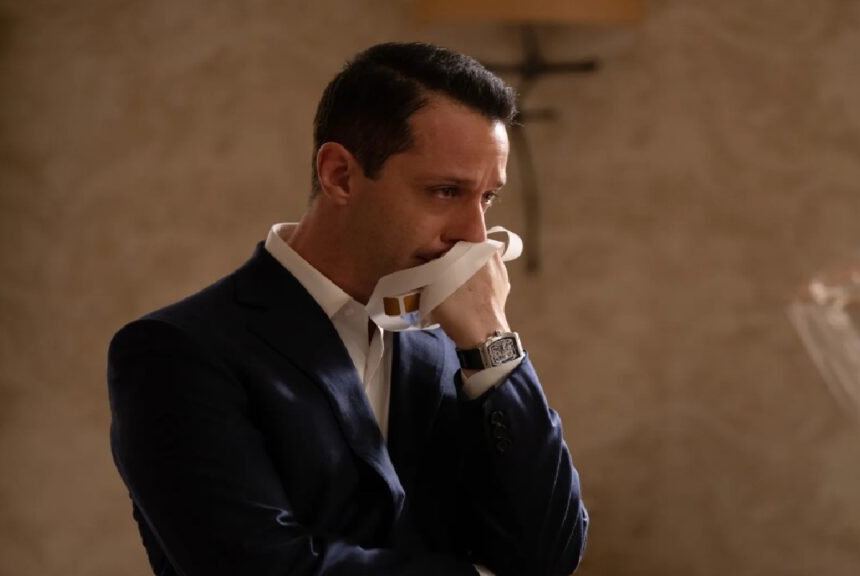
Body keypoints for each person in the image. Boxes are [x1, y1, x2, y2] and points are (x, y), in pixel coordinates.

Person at [108, 42, 588, 576]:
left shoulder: (459, 345)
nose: (475, 236)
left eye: (488, 197)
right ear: (339, 174)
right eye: (445, 191)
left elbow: (549, 556)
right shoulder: (176, 351)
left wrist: (495, 347)